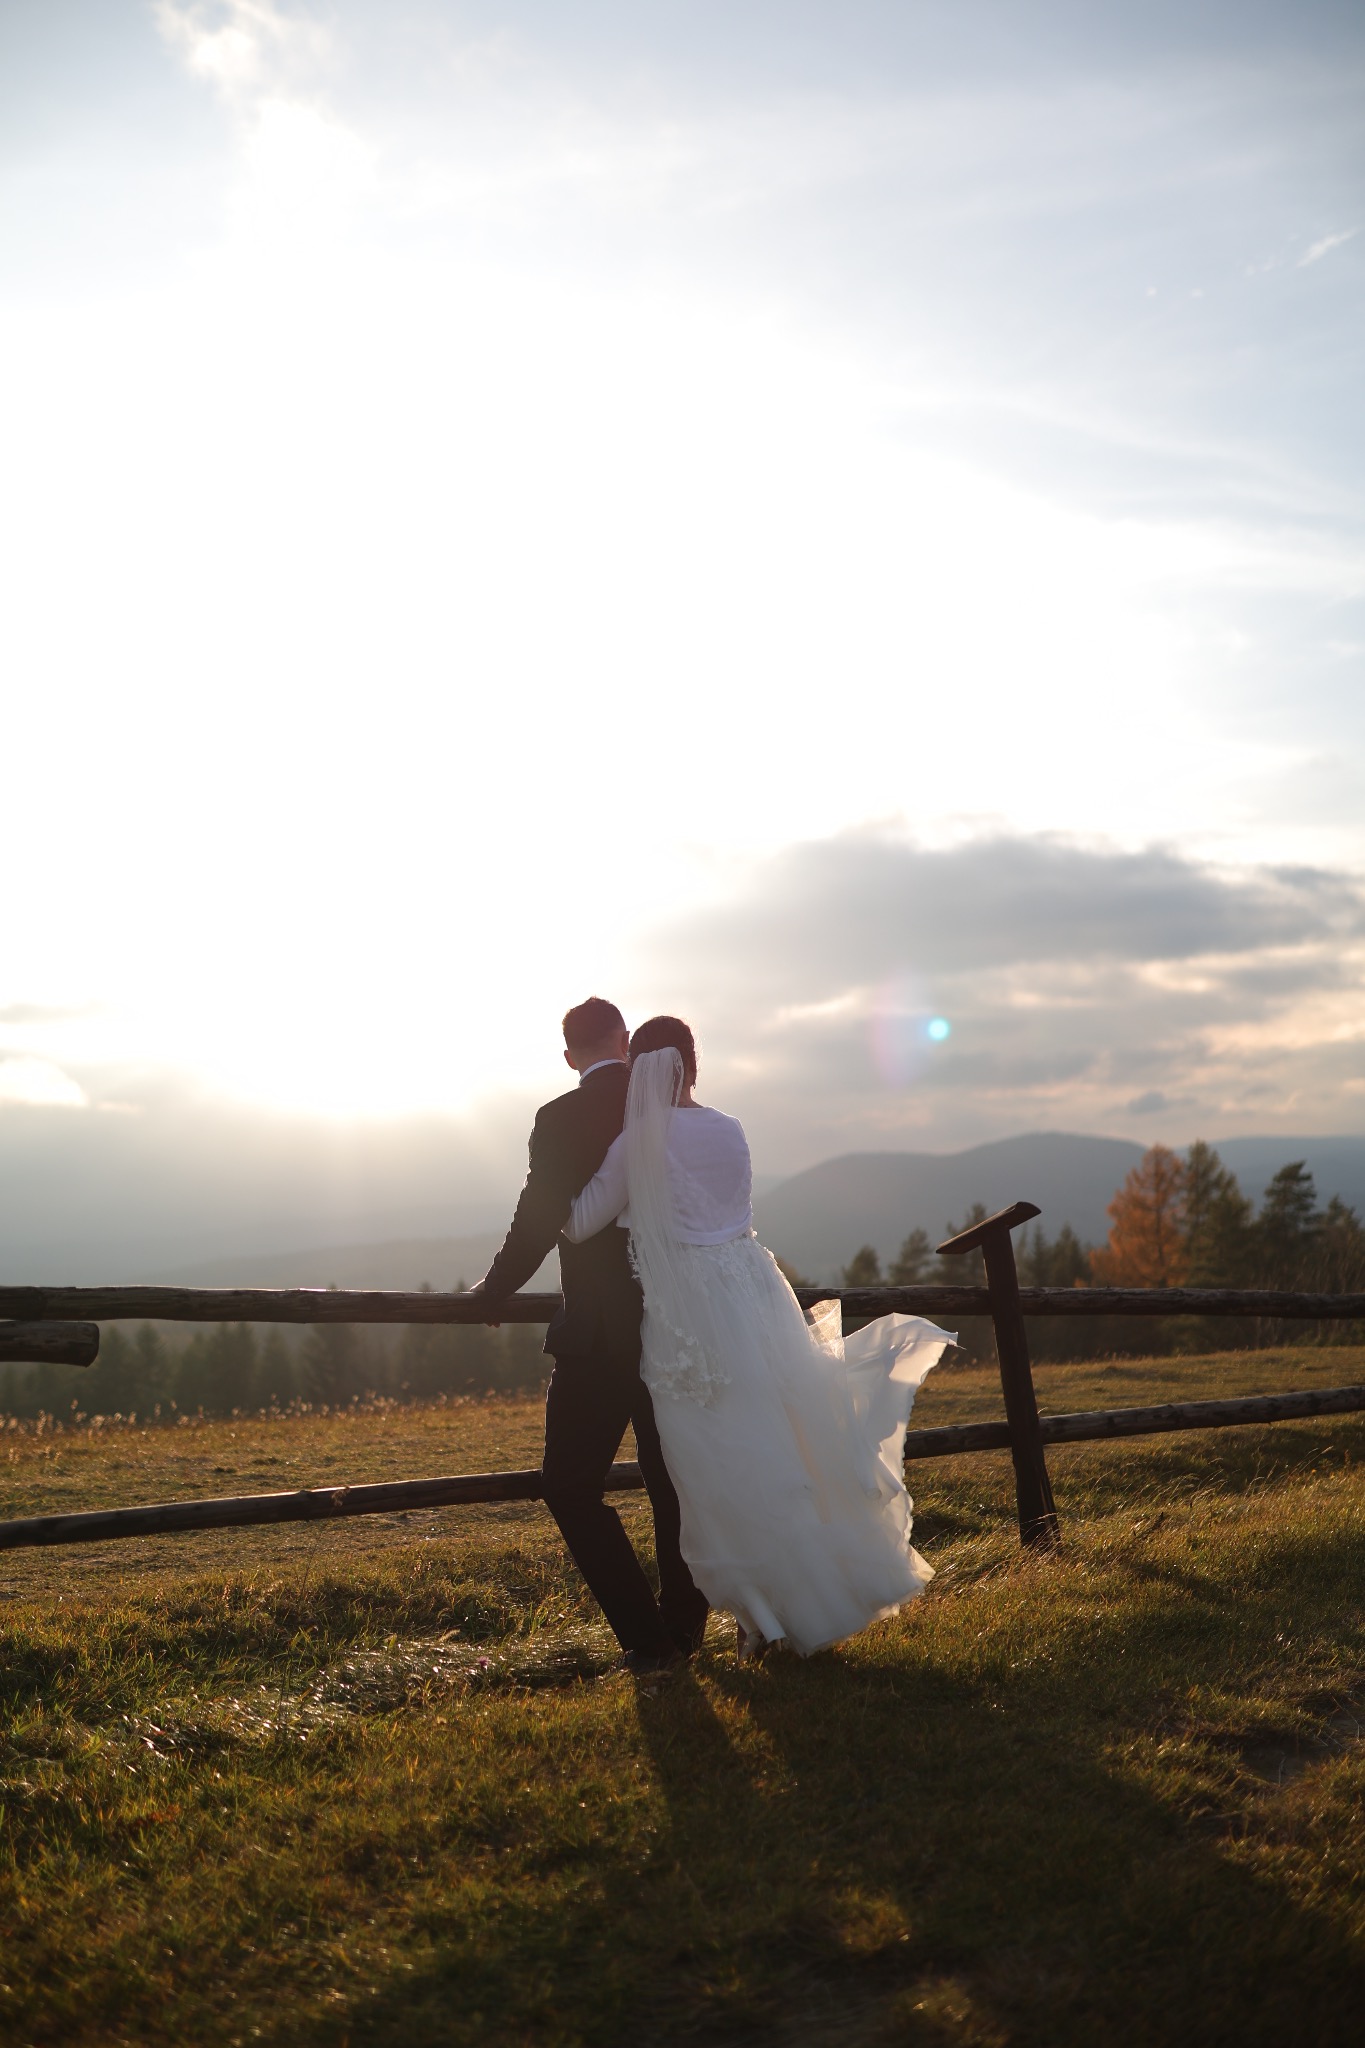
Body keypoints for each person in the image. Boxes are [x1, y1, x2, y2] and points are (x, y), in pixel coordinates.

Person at [563, 1015, 955, 1658]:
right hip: (754, 1292)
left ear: (642, 1071)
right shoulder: (729, 1128)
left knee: (714, 1464)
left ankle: (763, 1615)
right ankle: (778, 1612)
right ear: (693, 1066)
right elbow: (729, 1214)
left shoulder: (638, 1141)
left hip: (690, 1311)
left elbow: (581, 1223)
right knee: (780, 1446)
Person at [472, 998, 709, 1674]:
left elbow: (537, 1217)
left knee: (570, 1486)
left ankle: (647, 1638)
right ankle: (682, 1628)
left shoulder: (561, 1115)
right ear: (625, 1041)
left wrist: (494, 1291)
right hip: (677, 1327)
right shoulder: (668, 1111)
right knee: (674, 1485)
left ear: (570, 1055)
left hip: (600, 1334)